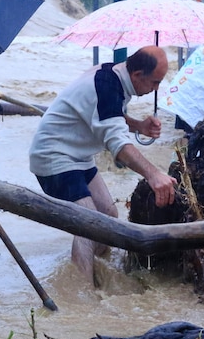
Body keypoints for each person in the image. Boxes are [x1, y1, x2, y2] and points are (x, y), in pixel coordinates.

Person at [29, 46, 177, 286]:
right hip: (53, 158)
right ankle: (83, 298)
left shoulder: (113, 74)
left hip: (78, 157)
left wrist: (138, 125)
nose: (156, 89)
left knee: (108, 216)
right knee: (87, 225)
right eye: (155, 82)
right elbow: (118, 145)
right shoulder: (107, 86)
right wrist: (154, 174)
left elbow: (108, 114)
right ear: (138, 75)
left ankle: (93, 274)